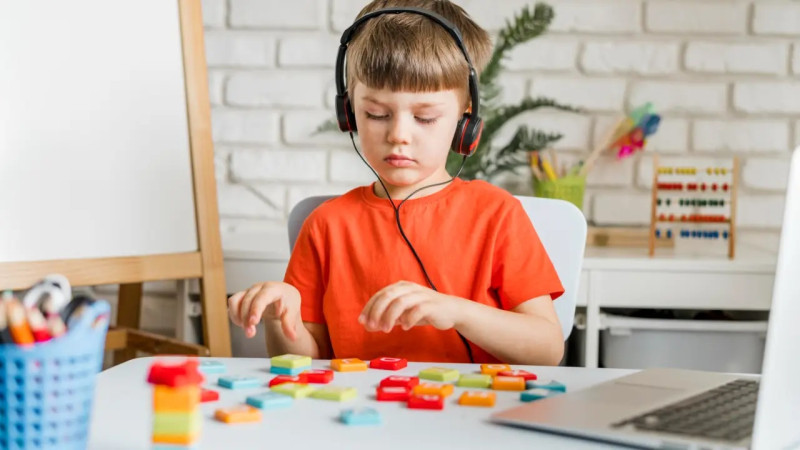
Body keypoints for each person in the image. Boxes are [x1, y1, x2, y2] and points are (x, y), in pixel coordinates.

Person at [227, 0, 565, 364]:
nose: (399, 135)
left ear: (465, 121)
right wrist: (283, 319)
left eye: (425, 117)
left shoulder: (496, 214)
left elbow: (547, 350)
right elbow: (310, 359)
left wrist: (458, 311)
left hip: (470, 414)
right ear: (349, 113)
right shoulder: (327, 225)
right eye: (376, 114)